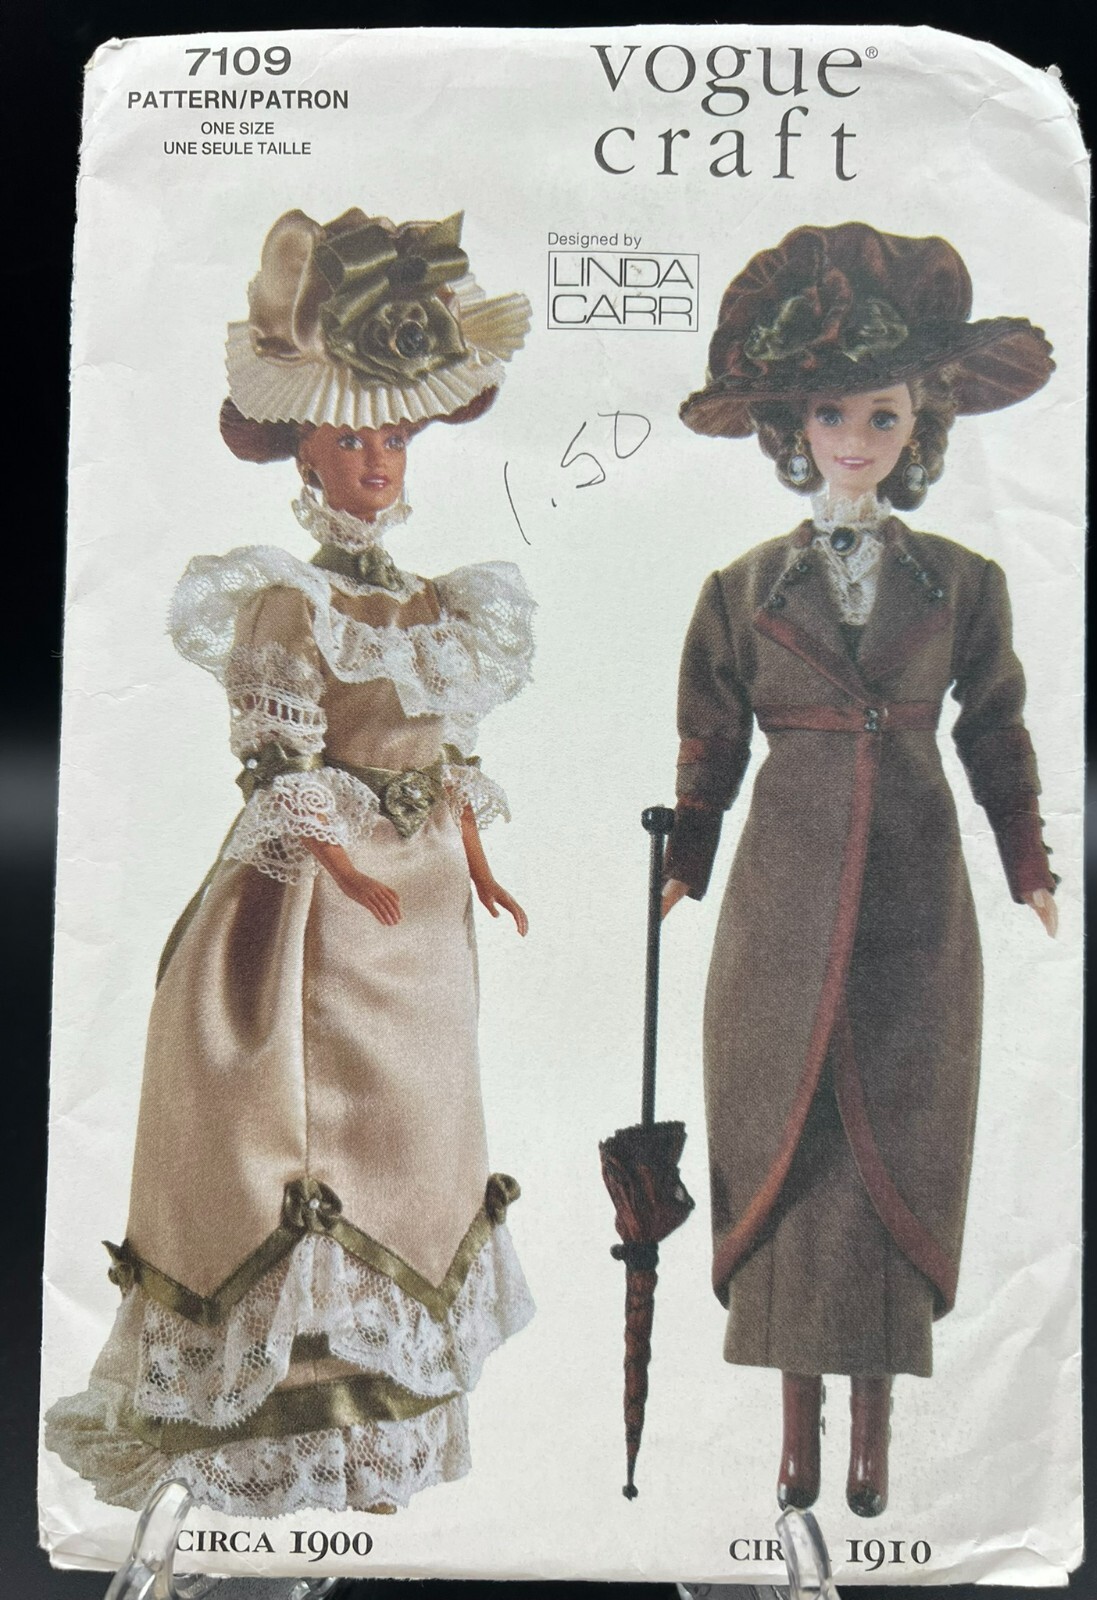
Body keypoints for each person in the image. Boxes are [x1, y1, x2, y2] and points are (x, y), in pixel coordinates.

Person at [46, 207, 536, 1517]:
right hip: (319, 913)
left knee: (417, 1141)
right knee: (315, 1140)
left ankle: (381, 1424)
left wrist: (474, 861)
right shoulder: (288, 600)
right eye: (352, 440)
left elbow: (445, 758)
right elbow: (279, 765)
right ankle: (290, 1417)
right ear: (306, 450)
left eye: (392, 440)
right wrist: (349, 868)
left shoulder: (435, 606)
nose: (376, 460)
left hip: (423, 920)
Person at [660, 222, 1059, 1517]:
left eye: (881, 415)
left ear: (918, 426)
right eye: (831, 414)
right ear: (794, 425)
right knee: (786, 1133)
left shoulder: (962, 584)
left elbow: (996, 728)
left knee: (900, 1126)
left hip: (913, 894)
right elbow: (710, 736)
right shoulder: (741, 589)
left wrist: (1027, 858)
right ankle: (797, 1435)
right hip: (780, 893)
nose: (855, 438)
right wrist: (688, 852)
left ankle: (873, 1433)